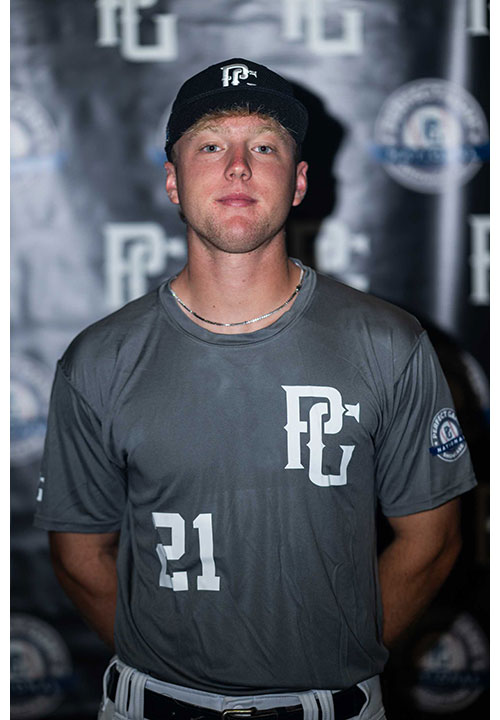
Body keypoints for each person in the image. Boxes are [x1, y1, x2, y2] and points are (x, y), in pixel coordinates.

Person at [34, 58, 477, 720]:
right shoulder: (100, 359)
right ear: (173, 181)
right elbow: (79, 554)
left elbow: (432, 541)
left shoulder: (389, 343)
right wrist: (171, 674)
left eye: (264, 147)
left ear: (299, 182)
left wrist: (334, 661)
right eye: (211, 145)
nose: (238, 166)